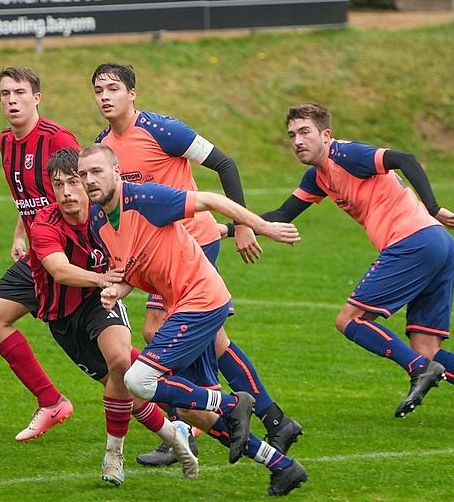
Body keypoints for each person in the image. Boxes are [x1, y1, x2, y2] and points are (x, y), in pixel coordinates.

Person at [262, 102, 454, 426]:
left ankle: (419, 370)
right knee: (426, 349)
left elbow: (405, 159)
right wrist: (230, 227)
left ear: (325, 134)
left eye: (304, 132)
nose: (297, 141)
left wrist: (433, 207)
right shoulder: (317, 177)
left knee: (349, 320)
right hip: (436, 245)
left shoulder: (346, 155)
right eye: (292, 135)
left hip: (413, 242)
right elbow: (281, 215)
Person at [91, 62, 303, 465]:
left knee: (161, 332)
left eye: (113, 88)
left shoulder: (163, 130)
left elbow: (225, 164)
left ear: (132, 93)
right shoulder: (104, 146)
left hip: (193, 244)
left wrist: (244, 225)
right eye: (98, 90)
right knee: (212, 340)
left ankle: (190, 426)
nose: (105, 96)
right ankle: (273, 419)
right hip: (157, 252)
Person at [79, 144, 309, 497]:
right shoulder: (98, 220)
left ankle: (232, 404)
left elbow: (212, 200)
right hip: (181, 306)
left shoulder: (145, 198)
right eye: (83, 174)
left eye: (96, 171)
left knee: (138, 379)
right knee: (190, 410)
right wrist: (116, 290)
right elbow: (131, 268)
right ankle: (281, 466)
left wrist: (262, 226)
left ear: (116, 171)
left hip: (201, 300)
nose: (89, 180)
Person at [28, 147, 199, 486]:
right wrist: (103, 278)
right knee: (121, 389)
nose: (67, 192)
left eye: (73, 182)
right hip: (63, 318)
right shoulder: (44, 224)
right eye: (58, 185)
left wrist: (116, 283)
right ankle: (174, 435)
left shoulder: (105, 213)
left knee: (121, 363)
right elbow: (60, 270)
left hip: (100, 302)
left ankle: (113, 455)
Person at [0, 66, 76, 442]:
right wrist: (21, 233)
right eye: (5, 94)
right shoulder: (6, 141)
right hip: (36, 258)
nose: (12, 100)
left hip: (66, 258)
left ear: (37, 98)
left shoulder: (56, 138)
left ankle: (178, 406)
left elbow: (81, 193)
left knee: (104, 359)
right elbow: (28, 197)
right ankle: (50, 401)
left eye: (19, 93)